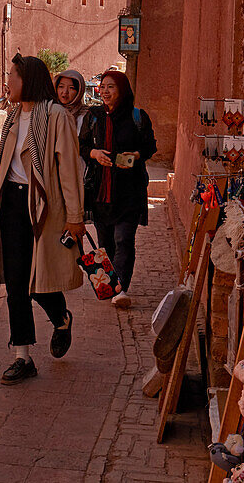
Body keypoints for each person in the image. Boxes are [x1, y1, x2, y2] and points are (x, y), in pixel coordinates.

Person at [0, 54, 87, 385]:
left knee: (38, 280)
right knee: (16, 283)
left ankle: (61, 318)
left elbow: (70, 169)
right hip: (11, 204)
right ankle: (22, 357)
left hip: (44, 209)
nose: (7, 82)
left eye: (12, 76)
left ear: (27, 79)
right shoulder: (13, 116)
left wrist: (75, 216)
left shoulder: (56, 116)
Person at [79, 70, 157, 308]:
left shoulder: (137, 117)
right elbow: (81, 145)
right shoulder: (92, 117)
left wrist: (136, 154)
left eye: (110, 87)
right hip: (101, 190)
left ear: (122, 90)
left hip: (129, 191)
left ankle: (120, 289)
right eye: (102, 87)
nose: (104, 91)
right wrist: (94, 153)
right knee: (106, 244)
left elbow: (150, 146)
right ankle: (110, 285)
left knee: (124, 239)